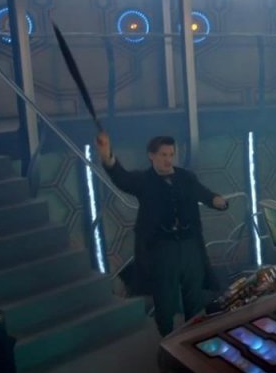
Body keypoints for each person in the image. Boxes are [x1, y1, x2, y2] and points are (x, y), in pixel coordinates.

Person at [96, 131, 229, 336]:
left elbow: (202, 193)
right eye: (163, 155)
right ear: (151, 155)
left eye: (171, 155)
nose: (168, 159)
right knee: (164, 299)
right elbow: (122, 178)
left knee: (194, 295)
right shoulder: (144, 180)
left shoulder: (186, 177)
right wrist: (108, 157)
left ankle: (193, 337)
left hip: (190, 244)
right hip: (162, 248)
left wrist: (216, 201)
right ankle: (167, 339)